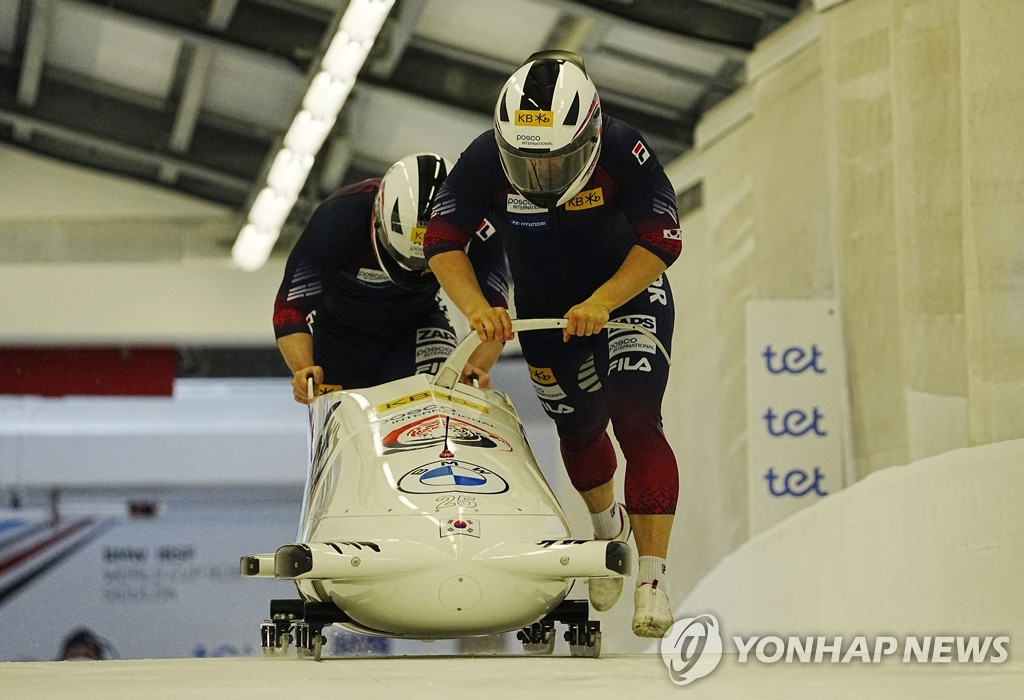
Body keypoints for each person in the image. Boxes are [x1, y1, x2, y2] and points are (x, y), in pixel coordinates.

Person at [424, 51, 682, 638]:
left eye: (558, 162)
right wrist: (478, 309)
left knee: (635, 417)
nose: (541, 175)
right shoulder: (485, 156)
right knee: (579, 429)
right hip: (545, 311)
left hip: (626, 297)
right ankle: (605, 527)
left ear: (589, 136)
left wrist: (605, 301)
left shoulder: (623, 148)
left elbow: (663, 238)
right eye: (526, 163)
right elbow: (443, 238)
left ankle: (653, 580)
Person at [273, 152, 509, 403]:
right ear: (379, 223)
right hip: (339, 336)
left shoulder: (479, 228)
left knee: (436, 405)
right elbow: (290, 308)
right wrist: (303, 370)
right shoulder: (338, 219)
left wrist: (474, 367)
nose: (414, 271)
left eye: (429, 263)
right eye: (405, 259)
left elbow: (496, 317)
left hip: (417, 323)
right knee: (343, 418)